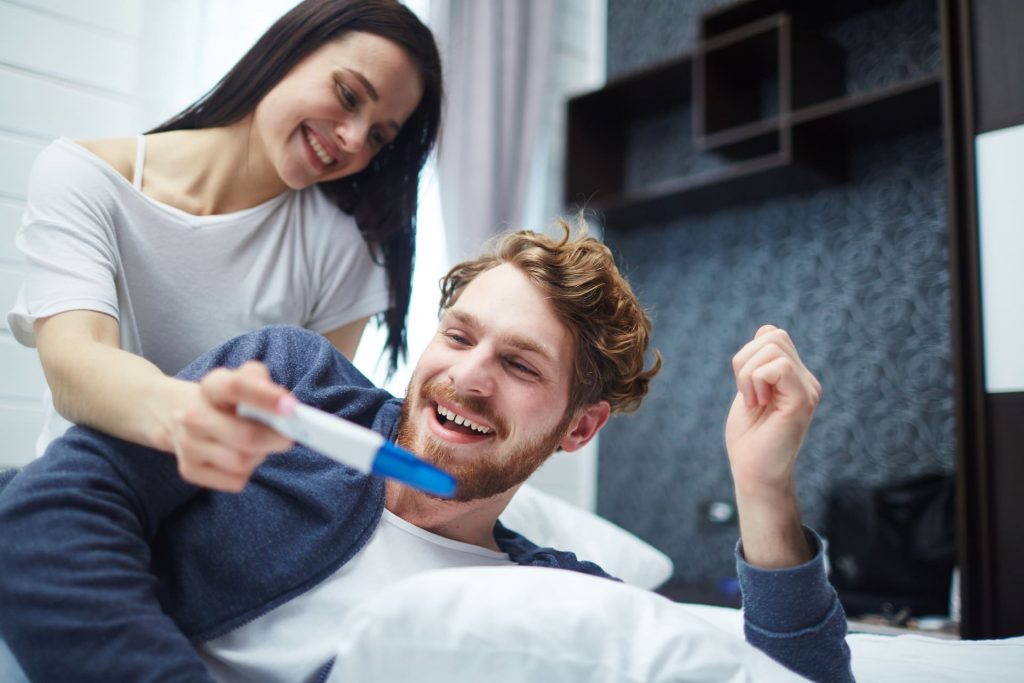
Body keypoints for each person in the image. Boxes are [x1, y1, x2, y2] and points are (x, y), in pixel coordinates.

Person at [0, 224, 854, 683]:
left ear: (579, 428)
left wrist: (763, 485)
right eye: (459, 335)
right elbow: (42, 514)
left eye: (520, 365)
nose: (468, 377)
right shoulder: (294, 388)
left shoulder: (558, 598)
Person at [4, 0, 443, 490]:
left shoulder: (345, 250)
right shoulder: (84, 178)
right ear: (289, 49)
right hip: (84, 488)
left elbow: (311, 430)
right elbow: (75, 365)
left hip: (228, 515)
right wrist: (189, 412)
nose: (354, 140)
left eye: (379, 137)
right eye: (348, 95)